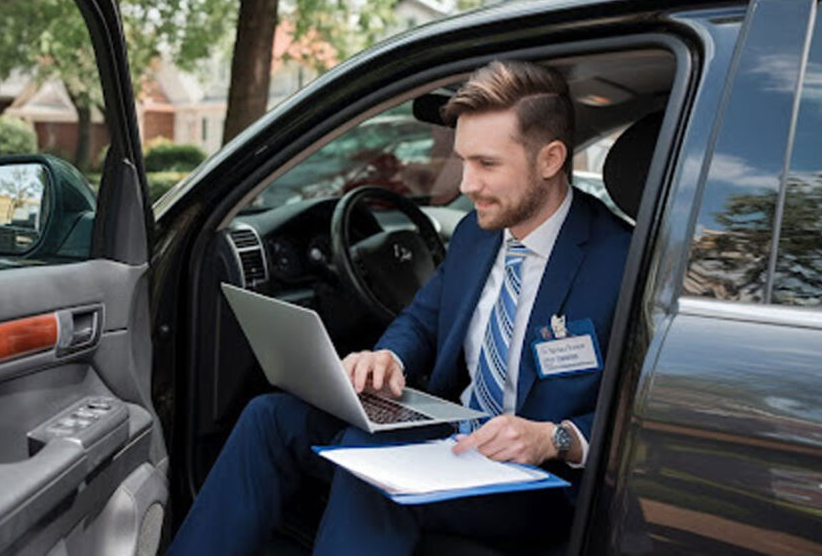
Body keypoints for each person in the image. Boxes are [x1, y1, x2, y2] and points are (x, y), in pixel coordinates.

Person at [168, 60, 632, 555]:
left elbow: (644, 414)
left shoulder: (622, 260)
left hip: (535, 482)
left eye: (487, 164)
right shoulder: (476, 233)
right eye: (463, 160)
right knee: (270, 417)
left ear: (550, 159)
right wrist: (389, 358)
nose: (466, 184)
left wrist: (553, 438)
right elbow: (423, 320)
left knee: (370, 460)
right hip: (454, 440)